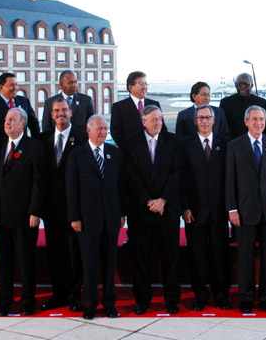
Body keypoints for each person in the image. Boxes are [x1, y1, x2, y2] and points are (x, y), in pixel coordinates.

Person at [122, 105, 181, 315]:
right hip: (141, 211)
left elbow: (177, 174)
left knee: (170, 258)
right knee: (141, 258)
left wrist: (163, 200)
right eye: (154, 119)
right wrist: (148, 200)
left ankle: (172, 300)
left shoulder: (173, 142)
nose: (158, 123)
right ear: (143, 121)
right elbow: (130, 176)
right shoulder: (130, 144)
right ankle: (142, 300)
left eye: (160, 119)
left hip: (167, 210)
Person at [66, 115, 125, 320]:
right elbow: (71, 189)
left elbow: (121, 187)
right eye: (99, 129)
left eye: (105, 129)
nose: (103, 132)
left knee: (109, 265)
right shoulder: (77, 155)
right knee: (89, 265)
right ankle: (89, 304)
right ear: (89, 130)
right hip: (86, 220)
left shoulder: (114, 154)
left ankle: (109, 304)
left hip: (111, 219)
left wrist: (122, 213)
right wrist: (74, 217)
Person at [225, 106, 266, 314]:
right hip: (245, 210)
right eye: (255, 119)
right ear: (246, 121)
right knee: (246, 257)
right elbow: (229, 180)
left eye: (262, 119)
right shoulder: (234, 146)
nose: (259, 123)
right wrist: (232, 209)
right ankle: (247, 298)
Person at [0, 108, 46, 316]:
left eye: (12, 120)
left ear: (23, 123)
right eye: (6, 120)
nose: (8, 123)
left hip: (25, 216)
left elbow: (39, 182)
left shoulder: (34, 147)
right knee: (3, 261)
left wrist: (35, 211)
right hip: (1, 216)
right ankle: (4, 301)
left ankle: (27, 302)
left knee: (26, 261)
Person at [179, 105, 231, 311]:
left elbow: (230, 179)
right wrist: (185, 207)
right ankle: (200, 295)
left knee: (220, 255)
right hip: (195, 211)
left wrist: (230, 208)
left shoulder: (226, 144)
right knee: (197, 256)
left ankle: (221, 295)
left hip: (219, 211)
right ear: (195, 121)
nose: (204, 121)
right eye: (200, 118)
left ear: (214, 119)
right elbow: (181, 179)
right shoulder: (184, 145)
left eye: (208, 117)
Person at [41, 98, 88, 312]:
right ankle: (58, 294)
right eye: (56, 110)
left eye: (64, 110)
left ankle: (74, 295)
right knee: (55, 253)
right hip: (51, 208)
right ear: (51, 114)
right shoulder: (42, 139)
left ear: (70, 113)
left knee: (74, 253)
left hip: (74, 207)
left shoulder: (81, 138)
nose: (61, 113)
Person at [0, 72, 40, 151]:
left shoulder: (24, 101)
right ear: (1, 87)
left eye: (16, 84)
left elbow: (33, 124)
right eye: (11, 85)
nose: (15, 88)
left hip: (23, 150)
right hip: (1, 151)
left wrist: (35, 143)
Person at [110, 71, 165, 147]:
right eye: (141, 84)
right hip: (130, 154)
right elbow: (116, 133)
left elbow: (163, 129)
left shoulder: (155, 104)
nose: (145, 87)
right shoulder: (119, 107)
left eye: (146, 84)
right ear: (131, 87)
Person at [219, 73, 266, 138]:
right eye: (239, 84)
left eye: (246, 84)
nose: (242, 86)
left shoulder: (261, 103)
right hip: (231, 143)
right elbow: (222, 126)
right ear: (236, 85)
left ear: (252, 86)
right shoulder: (225, 103)